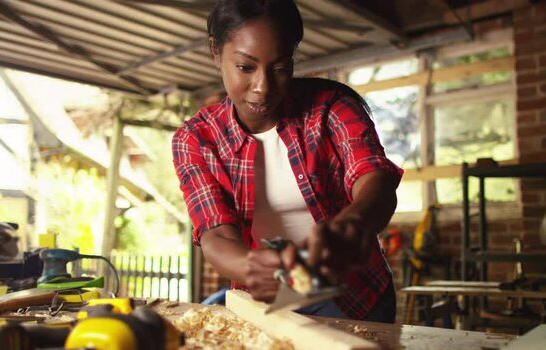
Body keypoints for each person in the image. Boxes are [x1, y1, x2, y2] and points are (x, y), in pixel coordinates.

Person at [172, 0, 403, 323]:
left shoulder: (331, 108)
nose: (263, 87)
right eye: (245, 67)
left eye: (280, 68)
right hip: (268, 298)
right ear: (216, 51)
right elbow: (216, 234)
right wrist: (249, 267)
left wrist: (354, 223)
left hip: (356, 292)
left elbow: (374, 179)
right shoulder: (196, 139)